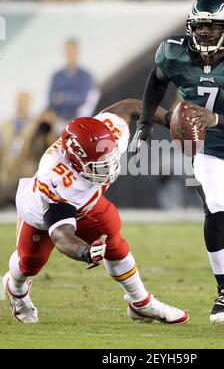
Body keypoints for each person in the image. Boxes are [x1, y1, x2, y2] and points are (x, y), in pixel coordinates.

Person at [130, 0, 224, 331]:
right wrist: (143, 125)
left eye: (212, 28)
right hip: (209, 153)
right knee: (216, 207)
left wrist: (215, 120)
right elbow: (156, 79)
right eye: (200, 27)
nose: (205, 35)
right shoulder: (174, 52)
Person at [2, 98, 188, 325]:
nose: (110, 166)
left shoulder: (108, 132)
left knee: (114, 241)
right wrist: (85, 252)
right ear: (76, 162)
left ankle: (141, 303)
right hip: (44, 214)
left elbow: (131, 106)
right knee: (29, 263)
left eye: (109, 158)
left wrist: (171, 120)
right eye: (100, 163)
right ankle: (16, 291)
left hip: (88, 201)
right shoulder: (57, 179)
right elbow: (62, 235)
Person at [48, 38, 100, 133]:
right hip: (60, 122)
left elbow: (83, 98)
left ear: (77, 54)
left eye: (73, 53)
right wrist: (71, 98)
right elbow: (51, 99)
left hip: (80, 121)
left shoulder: (86, 76)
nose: (71, 56)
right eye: (68, 53)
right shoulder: (57, 76)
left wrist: (63, 98)